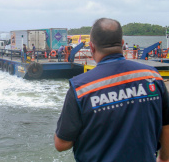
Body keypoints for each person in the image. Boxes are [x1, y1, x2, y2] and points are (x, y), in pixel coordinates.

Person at [54, 18, 169, 162]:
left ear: (92, 47)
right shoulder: (153, 77)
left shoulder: (81, 88)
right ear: (122, 44)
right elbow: (166, 125)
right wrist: (164, 158)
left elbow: (62, 143)